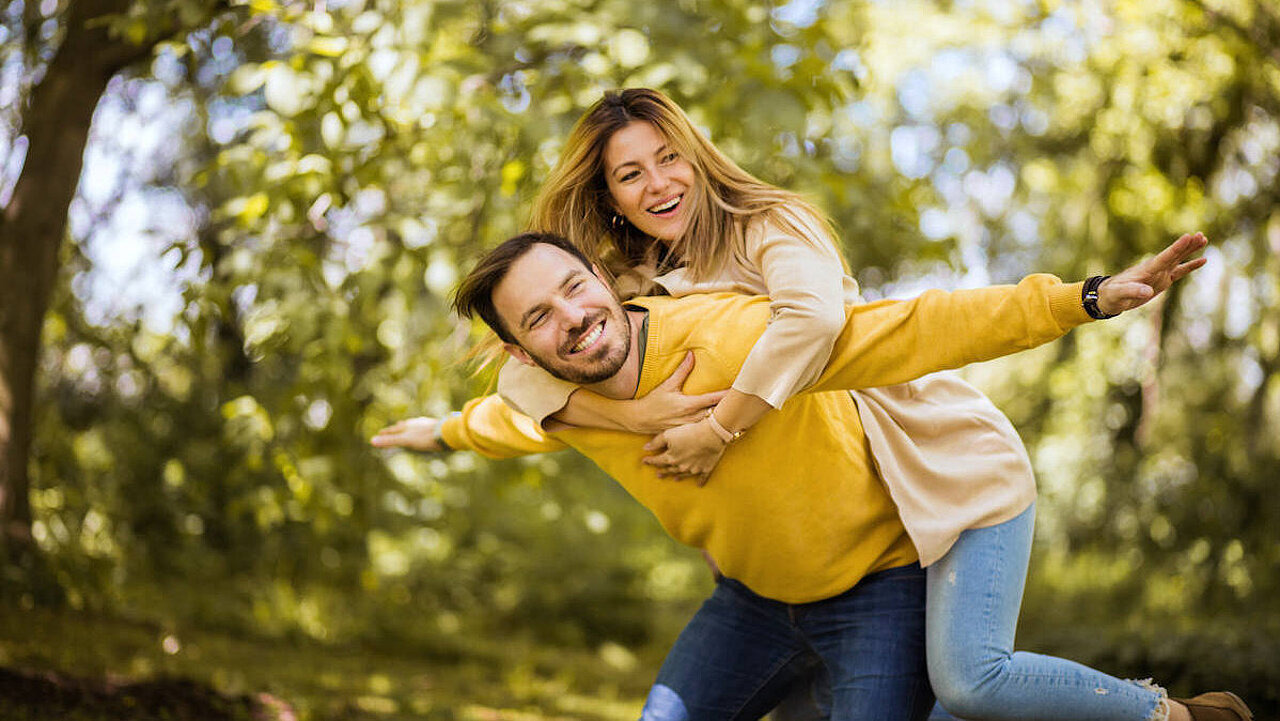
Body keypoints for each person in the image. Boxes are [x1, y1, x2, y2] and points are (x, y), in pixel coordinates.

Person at [373, 231, 1250, 721]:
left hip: (878, 586)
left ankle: (1160, 716)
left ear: (603, 276)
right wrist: (438, 435)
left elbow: (908, 328)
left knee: (966, 689)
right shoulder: (566, 405)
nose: (572, 317)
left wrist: (1080, 299)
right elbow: (502, 423)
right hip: (751, 603)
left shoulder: (729, 334)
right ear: (521, 349)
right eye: (540, 317)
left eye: (574, 286)